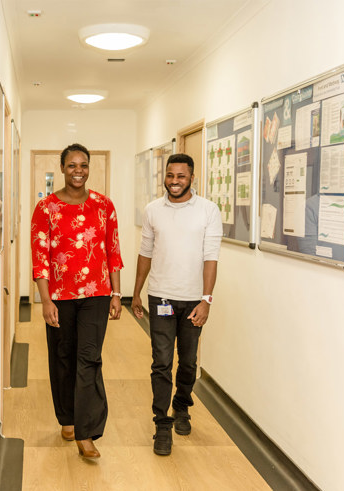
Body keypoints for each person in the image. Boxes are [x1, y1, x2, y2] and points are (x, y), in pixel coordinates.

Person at [31, 143, 123, 460]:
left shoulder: (104, 206)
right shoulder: (46, 208)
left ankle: (87, 432)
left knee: (90, 359)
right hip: (60, 297)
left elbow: (113, 251)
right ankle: (67, 418)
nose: (78, 171)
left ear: (89, 168)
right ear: (62, 168)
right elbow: (40, 257)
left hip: (96, 295)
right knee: (63, 358)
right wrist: (45, 301)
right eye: (72, 165)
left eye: (83, 165)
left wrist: (116, 292)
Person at [131, 153, 222, 456]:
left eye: (181, 176)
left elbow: (211, 257)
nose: (174, 182)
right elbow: (145, 252)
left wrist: (207, 300)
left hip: (194, 299)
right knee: (161, 361)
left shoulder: (208, 210)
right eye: (170, 176)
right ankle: (162, 424)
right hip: (162, 298)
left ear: (192, 178)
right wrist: (136, 292)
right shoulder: (153, 210)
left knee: (189, 361)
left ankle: (182, 404)